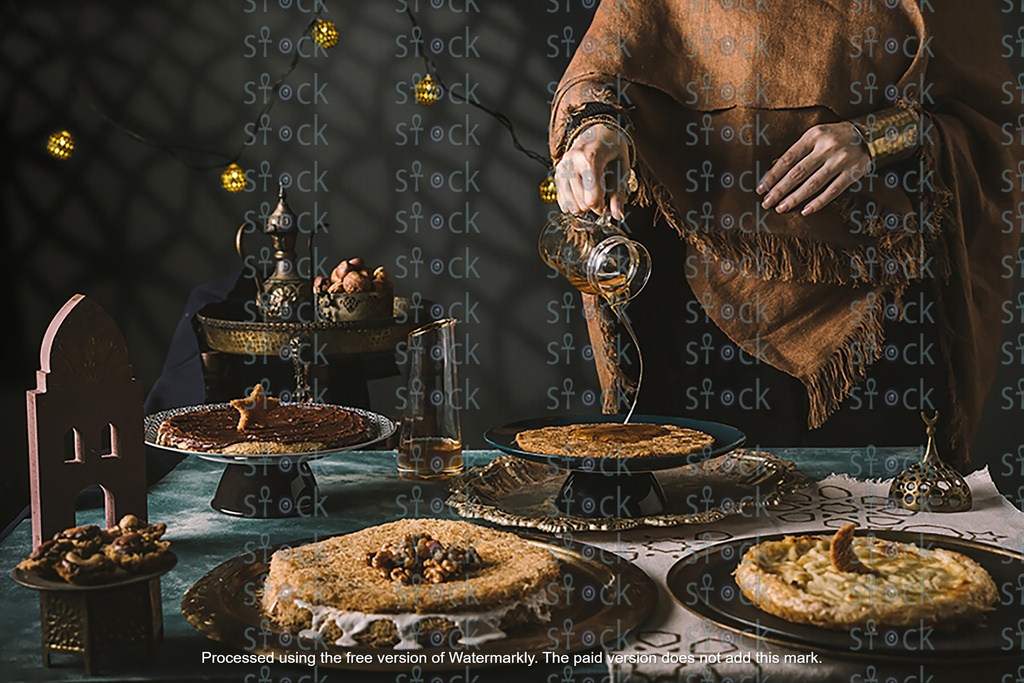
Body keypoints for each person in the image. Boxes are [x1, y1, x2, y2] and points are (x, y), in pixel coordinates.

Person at [548, 0, 1023, 470]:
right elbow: (601, 74)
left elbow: (989, 128)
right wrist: (595, 131)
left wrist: (874, 137)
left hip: (877, 308)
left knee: (871, 526)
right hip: (698, 305)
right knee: (694, 515)